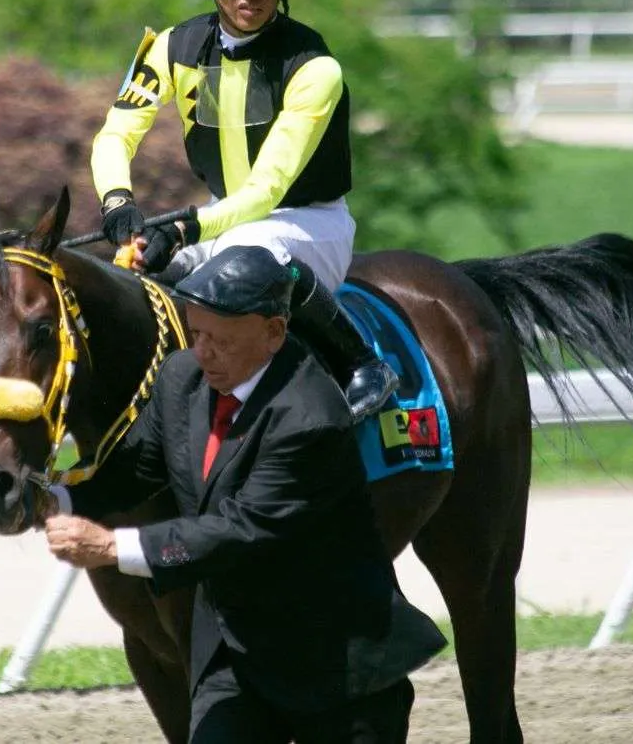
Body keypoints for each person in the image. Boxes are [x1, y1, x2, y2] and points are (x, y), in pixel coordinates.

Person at [44, 246, 446, 744]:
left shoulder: (309, 416)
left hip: (336, 671)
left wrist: (109, 548)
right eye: (197, 335)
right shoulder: (180, 378)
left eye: (222, 341)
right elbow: (134, 470)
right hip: (234, 663)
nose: (203, 352)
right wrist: (57, 502)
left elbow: (240, 530)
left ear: (274, 332)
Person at [89, 0, 398, 422]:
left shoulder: (314, 67)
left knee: (252, 251)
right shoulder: (171, 48)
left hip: (305, 225)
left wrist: (184, 230)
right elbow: (116, 135)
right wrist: (119, 205)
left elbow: (265, 193)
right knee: (131, 277)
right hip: (223, 221)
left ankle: (361, 363)